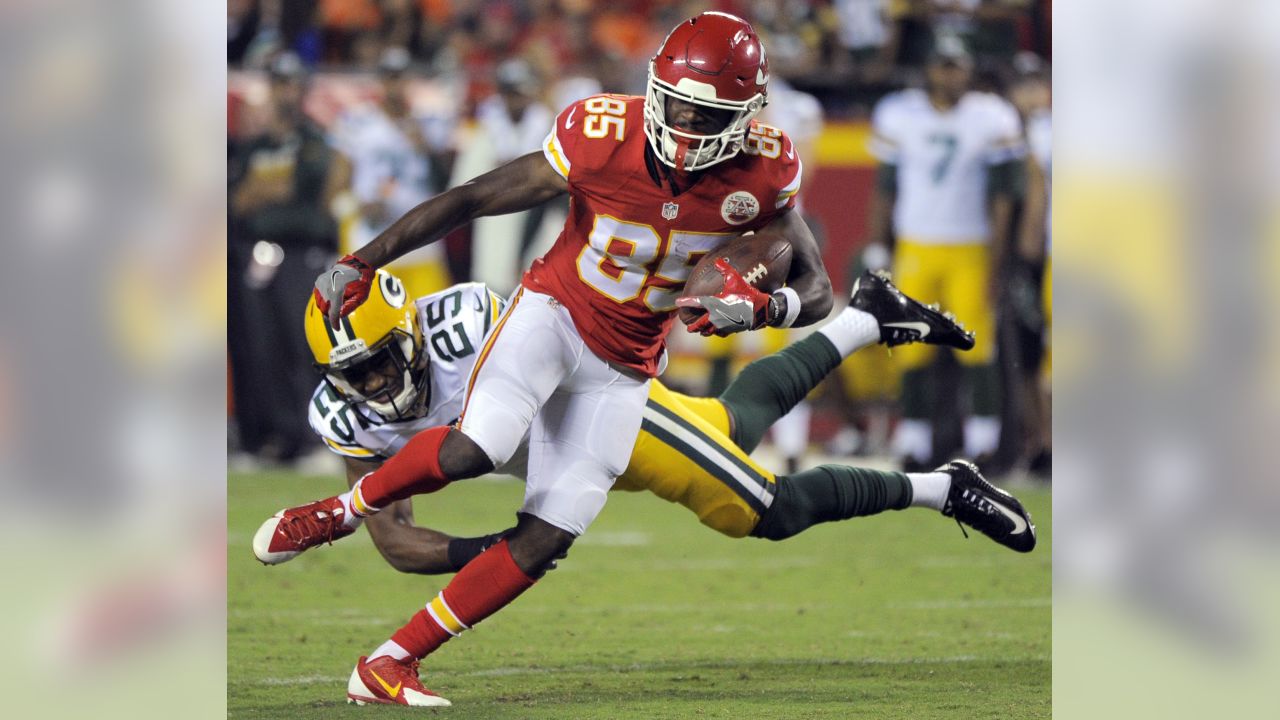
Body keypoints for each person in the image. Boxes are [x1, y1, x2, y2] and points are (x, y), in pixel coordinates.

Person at [255, 12, 1025, 707]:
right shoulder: (601, 130)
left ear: (745, 115)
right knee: (479, 444)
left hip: (626, 365)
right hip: (553, 315)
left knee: (555, 533)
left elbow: (817, 289)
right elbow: (478, 195)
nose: (683, 123)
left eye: (704, 112)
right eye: (676, 102)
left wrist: (760, 306)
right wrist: (365, 257)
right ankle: (333, 515)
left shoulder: (762, 170)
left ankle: (388, 661)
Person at [256, 267, 1036, 705]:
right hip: (567, 460)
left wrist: (342, 512)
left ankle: (943, 486)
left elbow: (473, 440)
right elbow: (394, 539)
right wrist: (492, 549)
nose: (376, 382)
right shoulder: (345, 412)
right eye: (355, 373)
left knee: (763, 509)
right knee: (730, 425)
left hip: (603, 412)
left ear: (413, 330)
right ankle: (867, 316)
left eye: (383, 360)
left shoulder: (465, 322)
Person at [863, 36, 1025, 470]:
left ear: (968, 71)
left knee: (977, 346)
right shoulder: (900, 114)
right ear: (928, 69)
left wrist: (997, 257)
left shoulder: (990, 117)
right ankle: (914, 442)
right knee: (911, 343)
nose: (949, 75)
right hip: (916, 244)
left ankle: (983, 444)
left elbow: (1004, 200)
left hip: (969, 246)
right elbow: (884, 188)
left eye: (956, 67)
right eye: (942, 66)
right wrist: (879, 246)